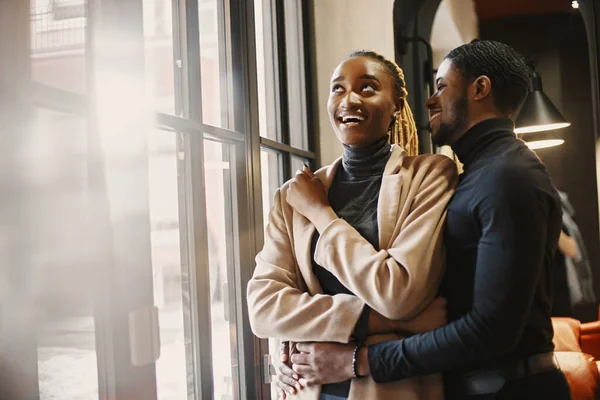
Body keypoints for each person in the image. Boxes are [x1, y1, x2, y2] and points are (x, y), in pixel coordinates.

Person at [280, 40, 572, 399]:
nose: (431, 101)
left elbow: (491, 330)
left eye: (441, 87)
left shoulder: (508, 177)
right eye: (337, 88)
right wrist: (296, 351)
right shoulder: (479, 174)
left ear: (479, 89)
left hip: (512, 389)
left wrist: (359, 360)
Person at [246, 50, 458, 400]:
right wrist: (392, 323)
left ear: (396, 104)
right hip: (309, 388)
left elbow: (398, 293)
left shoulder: (430, 175)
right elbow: (264, 308)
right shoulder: (292, 195)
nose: (350, 99)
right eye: (338, 88)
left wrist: (322, 214)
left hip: (395, 390)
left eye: (368, 88)